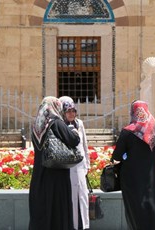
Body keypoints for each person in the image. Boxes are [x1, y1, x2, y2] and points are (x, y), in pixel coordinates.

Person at [112, 100, 155, 230]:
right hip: (154, 178)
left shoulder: (128, 132)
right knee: (154, 207)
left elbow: (117, 156)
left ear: (133, 112)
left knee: (136, 210)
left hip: (133, 179)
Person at [29, 96, 80, 230]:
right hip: (56, 174)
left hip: (40, 174)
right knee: (58, 208)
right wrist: (74, 131)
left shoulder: (36, 125)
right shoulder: (56, 122)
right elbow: (73, 140)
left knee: (42, 208)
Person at [59, 96, 90, 230]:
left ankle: (84, 225)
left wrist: (87, 163)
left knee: (83, 196)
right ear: (63, 112)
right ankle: (72, 225)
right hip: (68, 167)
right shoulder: (60, 125)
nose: (71, 114)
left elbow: (84, 144)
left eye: (73, 111)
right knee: (70, 197)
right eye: (68, 111)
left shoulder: (80, 124)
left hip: (81, 165)